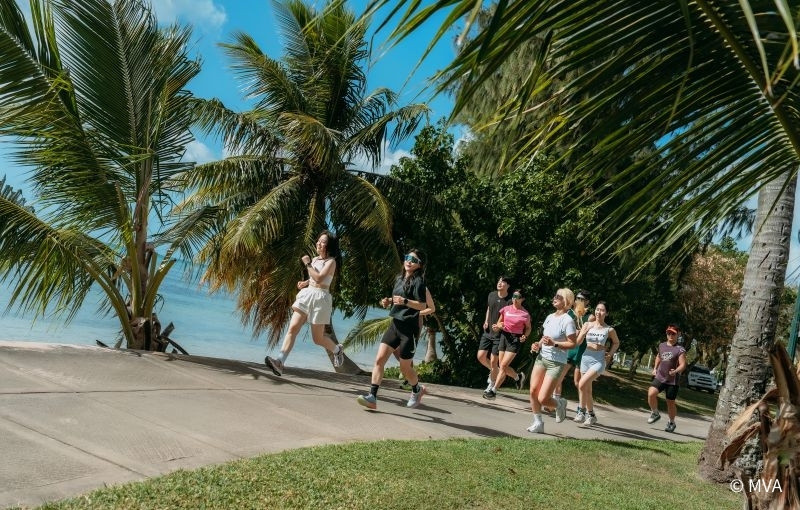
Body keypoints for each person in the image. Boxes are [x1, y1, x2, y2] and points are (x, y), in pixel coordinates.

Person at [357, 249, 436, 410]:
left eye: (413, 260)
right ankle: (372, 397)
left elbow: (423, 305)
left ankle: (417, 389)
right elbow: (397, 299)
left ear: (420, 265)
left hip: (409, 330)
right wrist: (388, 301)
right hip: (395, 325)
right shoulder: (399, 278)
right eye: (407, 258)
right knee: (379, 360)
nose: (409, 261)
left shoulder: (419, 282)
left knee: (405, 368)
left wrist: (405, 301)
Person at [265, 231, 344, 376]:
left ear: (329, 245)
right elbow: (314, 278)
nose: (318, 244)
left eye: (323, 242)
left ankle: (337, 350)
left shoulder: (331, 262)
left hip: (321, 299)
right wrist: (306, 283)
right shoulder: (315, 259)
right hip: (308, 295)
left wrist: (307, 263)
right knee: (293, 328)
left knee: (317, 339)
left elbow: (319, 278)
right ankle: (280, 362)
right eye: (318, 241)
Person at [527, 288, 578, 433]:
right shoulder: (549, 317)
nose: (554, 298)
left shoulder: (568, 321)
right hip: (542, 358)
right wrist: (538, 345)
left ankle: (560, 404)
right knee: (533, 391)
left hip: (556, 363)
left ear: (566, 301)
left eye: (558, 297)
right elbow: (545, 338)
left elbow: (572, 343)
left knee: (543, 398)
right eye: (555, 296)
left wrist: (554, 344)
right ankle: (538, 423)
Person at [574, 301, 619, 425]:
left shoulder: (609, 329)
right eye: (597, 309)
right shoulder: (587, 324)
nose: (599, 312)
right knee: (587, 389)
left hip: (598, 360)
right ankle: (591, 415)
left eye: (602, 310)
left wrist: (610, 354)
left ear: (607, 313)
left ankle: (581, 411)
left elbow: (616, 343)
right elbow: (578, 343)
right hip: (586, 358)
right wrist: (583, 332)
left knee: (581, 384)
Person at [484, 288, 530, 399]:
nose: (515, 299)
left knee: (503, 365)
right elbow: (499, 323)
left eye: (518, 297)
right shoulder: (506, 309)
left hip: (515, 339)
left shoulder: (525, 314)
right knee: (502, 365)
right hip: (504, 337)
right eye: (513, 296)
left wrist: (525, 336)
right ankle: (518, 377)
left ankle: (493, 390)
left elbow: (528, 328)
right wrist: (498, 326)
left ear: (522, 299)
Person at [553, 290, 592, 419]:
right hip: (570, 349)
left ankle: (583, 410)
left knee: (579, 382)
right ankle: (556, 402)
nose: (579, 301)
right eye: (577, 298)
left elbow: (584, 335)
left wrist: (579, 332)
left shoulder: (590, 317)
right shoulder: (569, 313)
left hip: (582, 350)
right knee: (558, 376)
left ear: (587, 302)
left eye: (582, 299)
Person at [647, 324, 687, 433]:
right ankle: (655, 413)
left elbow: (683, 364)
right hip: (660, 376)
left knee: (670, 402)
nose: (670, 335)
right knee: (651, 393)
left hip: (672, 381)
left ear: (678, 335)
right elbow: (658, 357)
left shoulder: (680, 349)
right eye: (669, 333)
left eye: (673, 333)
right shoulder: (662, 345)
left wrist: (675, 371)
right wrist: (655, 369)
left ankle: (671, 422)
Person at [478, 276, 513, 398]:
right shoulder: (492, 295)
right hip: (488, 331)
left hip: (500, 335)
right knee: (481, 356)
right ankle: (497, 371)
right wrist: (486, 321)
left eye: (503, 282)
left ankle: (491, 384)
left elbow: (509, 318)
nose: (500, 283)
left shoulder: (510, 300)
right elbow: (489, 308)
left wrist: (499, 326)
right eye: (499, 281)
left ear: (508, 286)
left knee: (494, 361)